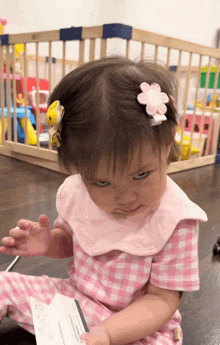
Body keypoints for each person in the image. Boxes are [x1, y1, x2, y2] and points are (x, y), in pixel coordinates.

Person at [0, 56, 208, 345]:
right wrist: (49, 243)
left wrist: (108, 334)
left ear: (168, 143)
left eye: (141, 174)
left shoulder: (176, 219)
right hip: (77, 301)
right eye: (102, 182)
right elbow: (73, 239)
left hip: (139, 326)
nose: (124, 197)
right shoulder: (78, 193)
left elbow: (162, 300)